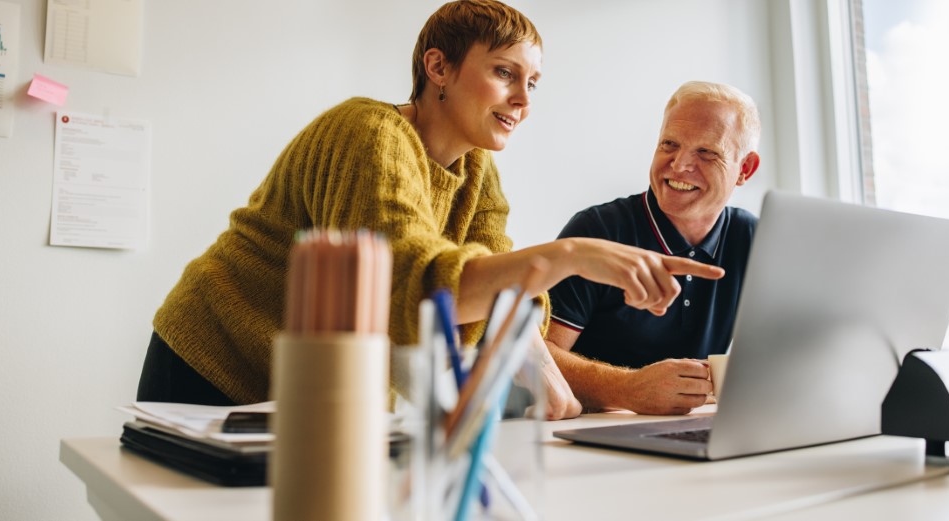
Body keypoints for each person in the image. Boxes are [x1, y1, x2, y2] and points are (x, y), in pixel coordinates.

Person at [135, 0, 723, 420]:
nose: (522, 99)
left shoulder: (476, 173)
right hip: (215, 368)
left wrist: (550, 379)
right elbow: (409, 288)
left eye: (533, 82)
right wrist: (568, 256)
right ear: (438, 67)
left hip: (309, 398)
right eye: (504, 73)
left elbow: (501, 301)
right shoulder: (369, 132)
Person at [545, 81, 762, 416]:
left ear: (744, 169)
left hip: (697, 431)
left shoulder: (753, 237)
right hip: (589, 435)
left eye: (706, 152)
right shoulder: (595, 231)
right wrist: (628, 389)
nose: (678, 166)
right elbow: (536, 356)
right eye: (669, 144)